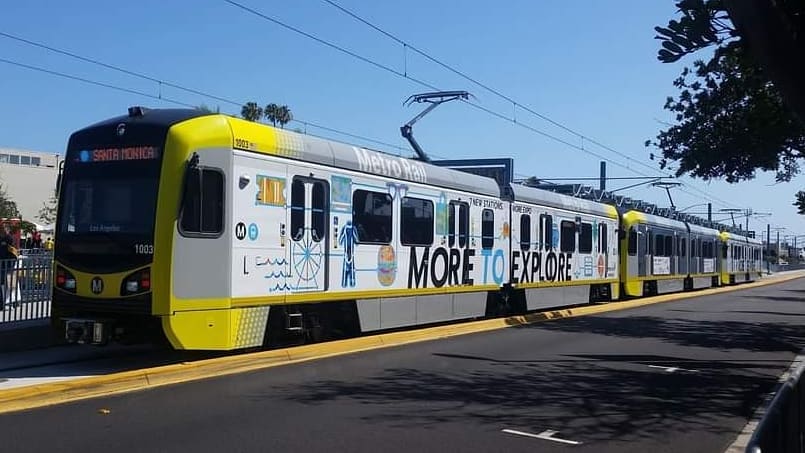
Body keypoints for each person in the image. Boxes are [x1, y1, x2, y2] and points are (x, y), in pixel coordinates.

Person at [0, 226, 17, 308]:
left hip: (9, 264)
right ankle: (6, 302)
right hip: (3, 264)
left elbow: (13, 253)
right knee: (5, 283)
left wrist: (11, 263)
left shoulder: (9, 239)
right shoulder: (2, 238)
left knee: (11, 284)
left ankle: (12, 301)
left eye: (3, 229)